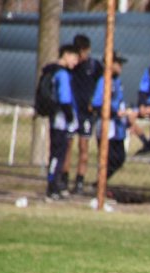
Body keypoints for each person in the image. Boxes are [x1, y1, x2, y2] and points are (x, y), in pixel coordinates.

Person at [91, 52, 140, 186]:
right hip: (108, 124)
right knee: (107, 158)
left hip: (118, 127)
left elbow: (120, 101)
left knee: (119, 158)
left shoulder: (117, 81)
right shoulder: (103, 81)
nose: (120, 67)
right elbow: (96, 103)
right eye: (118, 63)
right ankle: (100, 185)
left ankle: (100, 184)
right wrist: (114, 111)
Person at [66, 34, 103, 196]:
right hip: (72, 111)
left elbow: (102, 83)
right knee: (67, 146)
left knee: (84, 147)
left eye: (84, 51)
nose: (82, 55)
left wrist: (95, 102)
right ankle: (63, 179)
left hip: (86, 114)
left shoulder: (94, 66)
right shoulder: (70, 66)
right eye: (79, 51)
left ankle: (79, 181)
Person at [42, 44, 80, 201]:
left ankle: (54, 185)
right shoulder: (62, 74)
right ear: (66, 54)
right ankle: (52, 187)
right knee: (58, 154)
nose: (76, 62)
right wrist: (71, 117)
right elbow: (65, 99)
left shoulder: (53, 71)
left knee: (56, 153)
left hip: (55, 118)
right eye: (75, 58)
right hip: (60, 119)